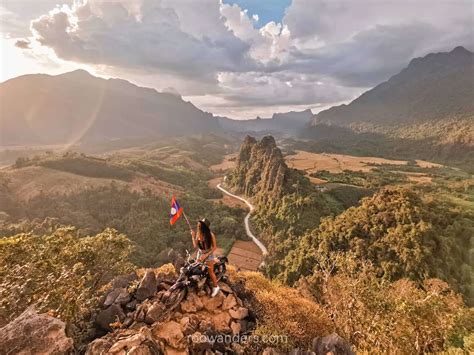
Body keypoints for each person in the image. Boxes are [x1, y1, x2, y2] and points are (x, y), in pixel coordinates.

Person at [191, 218, 220, 297]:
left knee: (210, 272)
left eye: (201, 225)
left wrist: (206, 255)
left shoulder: (211, 235)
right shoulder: (198, 233)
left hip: (208, 254)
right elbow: (195, 246)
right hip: (200, 253)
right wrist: (193, 237)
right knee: (196, 267)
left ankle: (216, 287)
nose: (199, 226)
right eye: (199, 224)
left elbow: (214, 247)